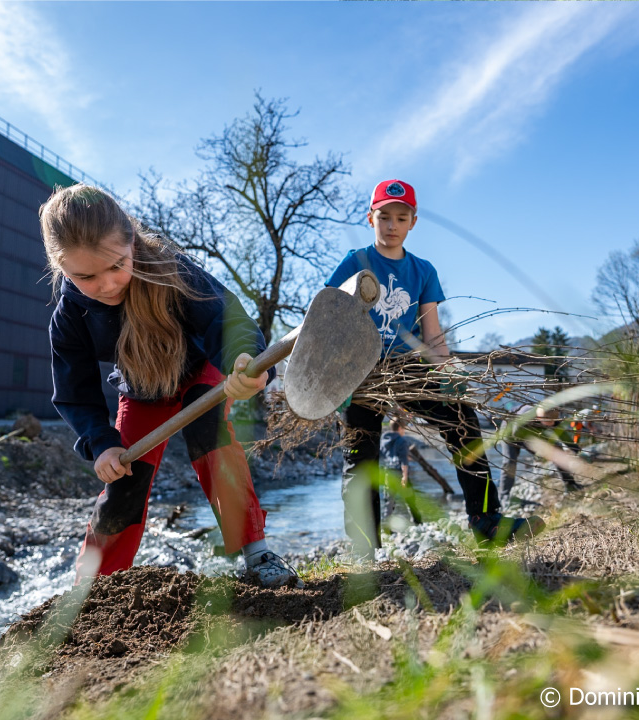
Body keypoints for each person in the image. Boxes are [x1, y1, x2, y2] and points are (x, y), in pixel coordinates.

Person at [41, 184, 299, 588]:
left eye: (116, 266)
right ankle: (93, 589)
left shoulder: (170, 268)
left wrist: (243, 362)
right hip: (141, 390)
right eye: (85, 276)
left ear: (130, 239)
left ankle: (258, 554)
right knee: (123, 481)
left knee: (208, 437)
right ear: (61, 268)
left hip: (200, 373)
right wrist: (101, 443)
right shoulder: (69, 316)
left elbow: (224, 318)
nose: (107, 285)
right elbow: (76, 389)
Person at [325, 179, 543, 558]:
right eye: (384, 217)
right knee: (362, 454)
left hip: (406, 367)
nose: (391, 225)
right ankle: (364, 552)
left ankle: (487, 521)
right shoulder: (354, 263)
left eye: (401, 217)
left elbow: (432, 335)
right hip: (361, 369)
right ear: (370, 218)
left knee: (463, 422)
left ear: (413, 222)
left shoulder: (423, 270)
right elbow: (328, 318)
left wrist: (450, 374)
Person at [499, 404, 584, 508]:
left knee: (557, 450)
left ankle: (570, 484)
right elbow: (518, 435)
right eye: (548, 423)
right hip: (510, 431)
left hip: (533, 431)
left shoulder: (551, 413)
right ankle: (504, 497)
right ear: (539, 418)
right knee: (510, 462)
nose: (551, 425)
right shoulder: (525, 417)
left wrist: (576, 449)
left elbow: (561, 434)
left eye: (553, 423)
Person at [379, 418, 421, 524]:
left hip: (387, 473)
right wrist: (405, 476)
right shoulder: (402, 440)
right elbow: (404, 461)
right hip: (399, 473)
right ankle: (417, 521)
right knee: (410, 497)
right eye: (404, 429)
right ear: (399, 428)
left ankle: (387, 526)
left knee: (389, 501)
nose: (404, 431)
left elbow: (383, 457)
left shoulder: (383, 440)